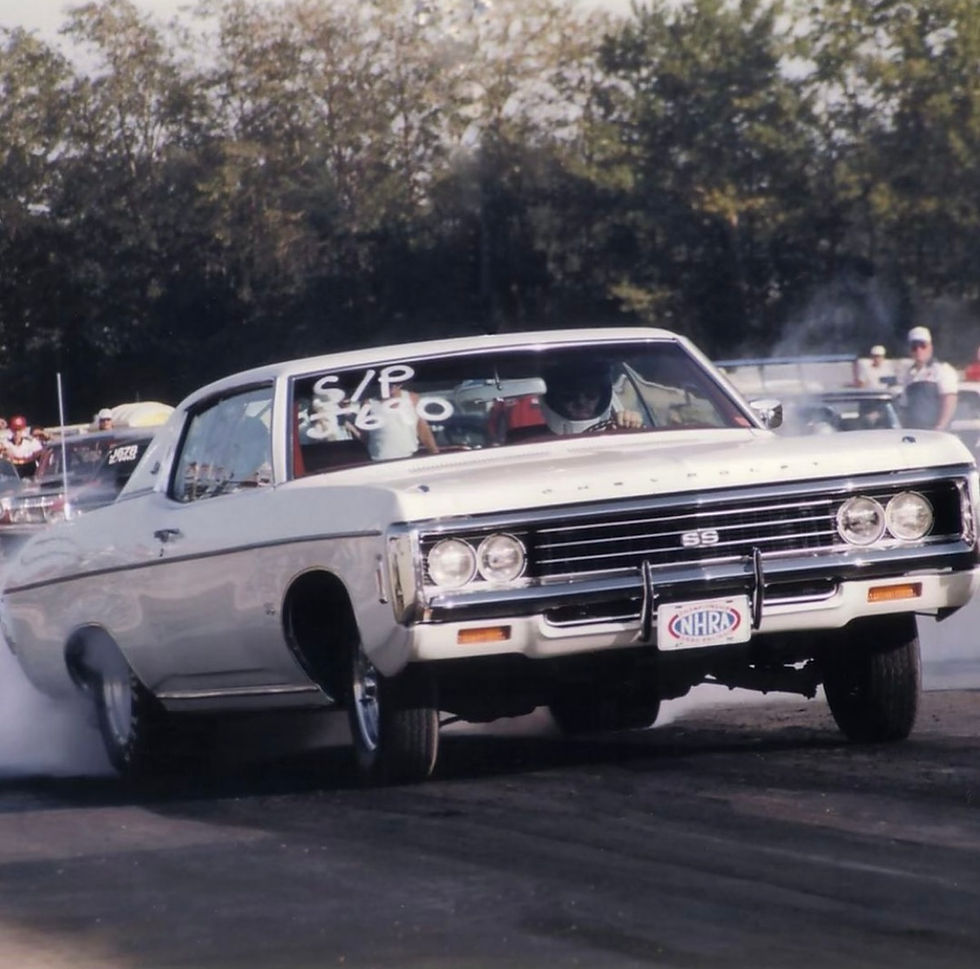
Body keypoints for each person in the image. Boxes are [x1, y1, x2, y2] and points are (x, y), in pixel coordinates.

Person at [540, 360, 643, 435]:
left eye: (591, 396)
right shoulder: (534, 444)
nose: (581, 403)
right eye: (569, 397)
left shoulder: (614, 429)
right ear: (554, 400)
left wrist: (630, 422)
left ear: (602, 399)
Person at [900, 326, 958, 431]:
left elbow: (949, 401)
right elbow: (904, 406)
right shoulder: (908, 375)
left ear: (930, 347)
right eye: (914, 347)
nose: (918, 350)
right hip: (913, 433)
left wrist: (940, 427)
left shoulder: (941, 369)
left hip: (935, 433)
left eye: (923, 345)